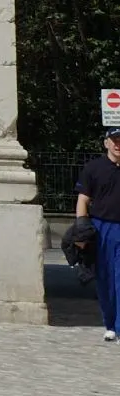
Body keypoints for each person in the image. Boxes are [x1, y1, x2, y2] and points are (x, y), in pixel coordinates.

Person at [75, 128, 120, 341]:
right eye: (114, 140)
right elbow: (83, 200)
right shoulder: (93, 168)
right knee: (105, 278)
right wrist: (81, 230)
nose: (118, 144)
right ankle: (110, 323)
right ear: (106, 143)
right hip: (102, 228)